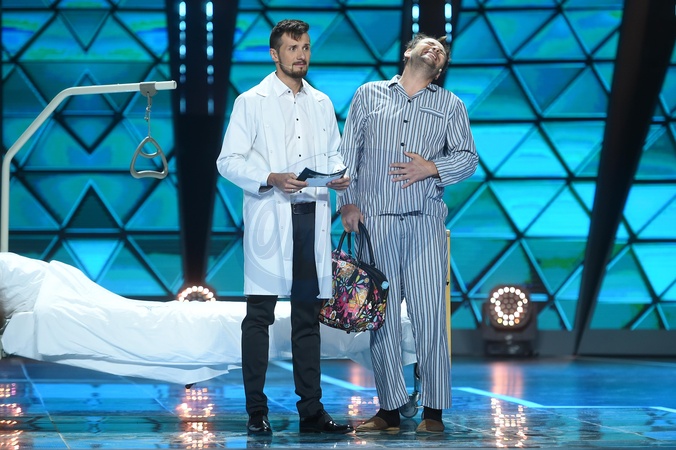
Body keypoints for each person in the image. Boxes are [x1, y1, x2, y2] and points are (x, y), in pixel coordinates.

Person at [216, 19, 352, 437]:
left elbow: (335, 154)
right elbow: (227, 161)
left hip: (311, 217)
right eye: (293, 48)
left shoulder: (322, 103)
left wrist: (339, 177)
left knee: (307, 319)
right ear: (275, 54)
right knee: (259, 315)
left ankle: (311, 411)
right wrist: (270, 177)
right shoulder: (250, 102)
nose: (301, 55)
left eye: (305, 47)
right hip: (270, 218)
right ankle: (256, 411)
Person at [337, 33, 479, 434]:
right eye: (430, 44)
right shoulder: (368, 95)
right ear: (408, 52)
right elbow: (348, 155)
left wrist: (432, 168)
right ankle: (390, 410)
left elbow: (468, 158)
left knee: (429, 315)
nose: (435, 50)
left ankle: (433, 410)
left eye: (442, 51)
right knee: (381, 318)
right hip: (376, 220)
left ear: (442, 67)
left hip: (425, 221)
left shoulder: (450, 105)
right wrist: (346, 203)